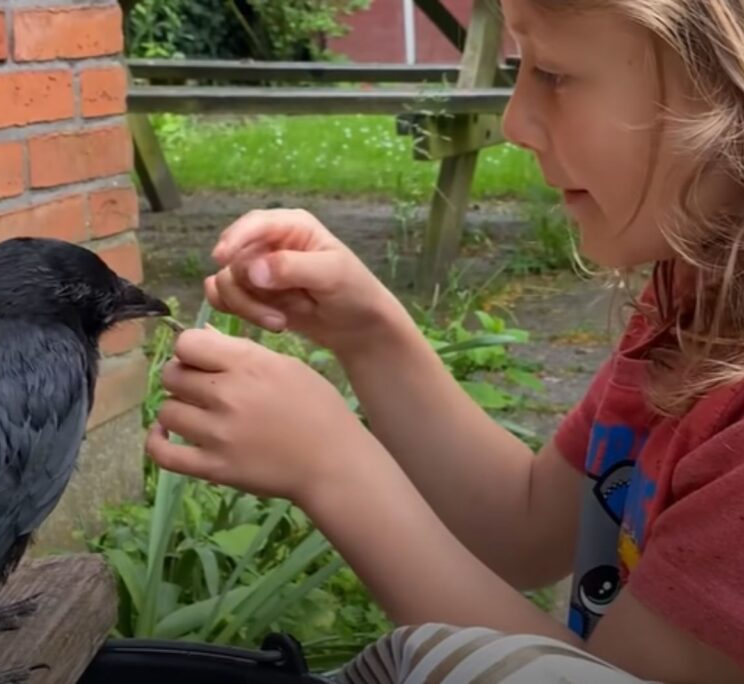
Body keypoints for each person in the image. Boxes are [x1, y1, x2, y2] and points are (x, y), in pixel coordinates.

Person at [144, 1, 744, 682]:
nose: (514, 122)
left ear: (728, 83)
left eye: (551, 72)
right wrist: (368, 335)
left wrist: (332, 466)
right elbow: (522, 527)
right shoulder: (689, 305)